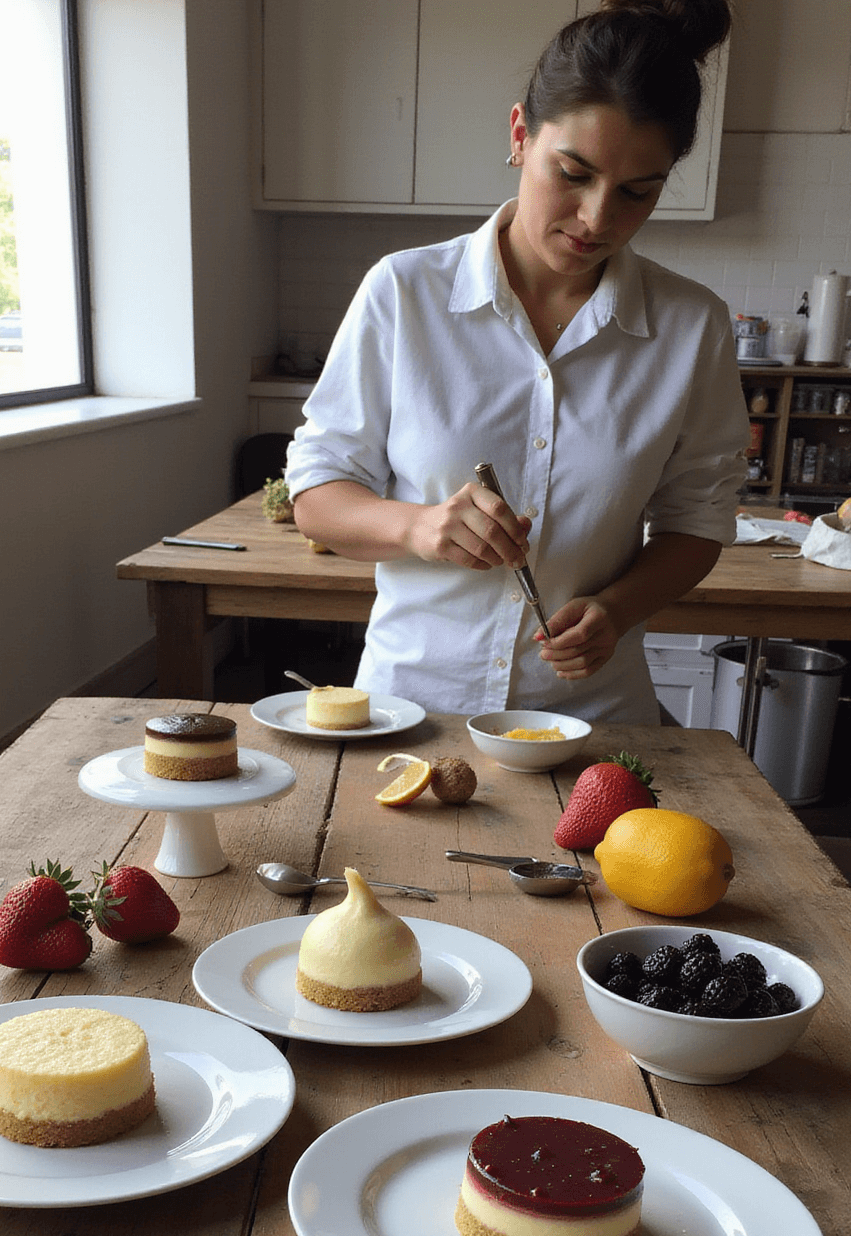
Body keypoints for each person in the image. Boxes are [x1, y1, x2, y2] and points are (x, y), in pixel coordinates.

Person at [285, 0, 748, 724]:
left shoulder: (691, 328)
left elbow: (699, 520)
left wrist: (617, 609)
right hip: (411, 714)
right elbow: (315, 489)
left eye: (637, 192)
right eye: (573, 173)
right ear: (520, 136)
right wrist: (415, 528)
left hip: (589, 723)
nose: (597, 218)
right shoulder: (405, 293)